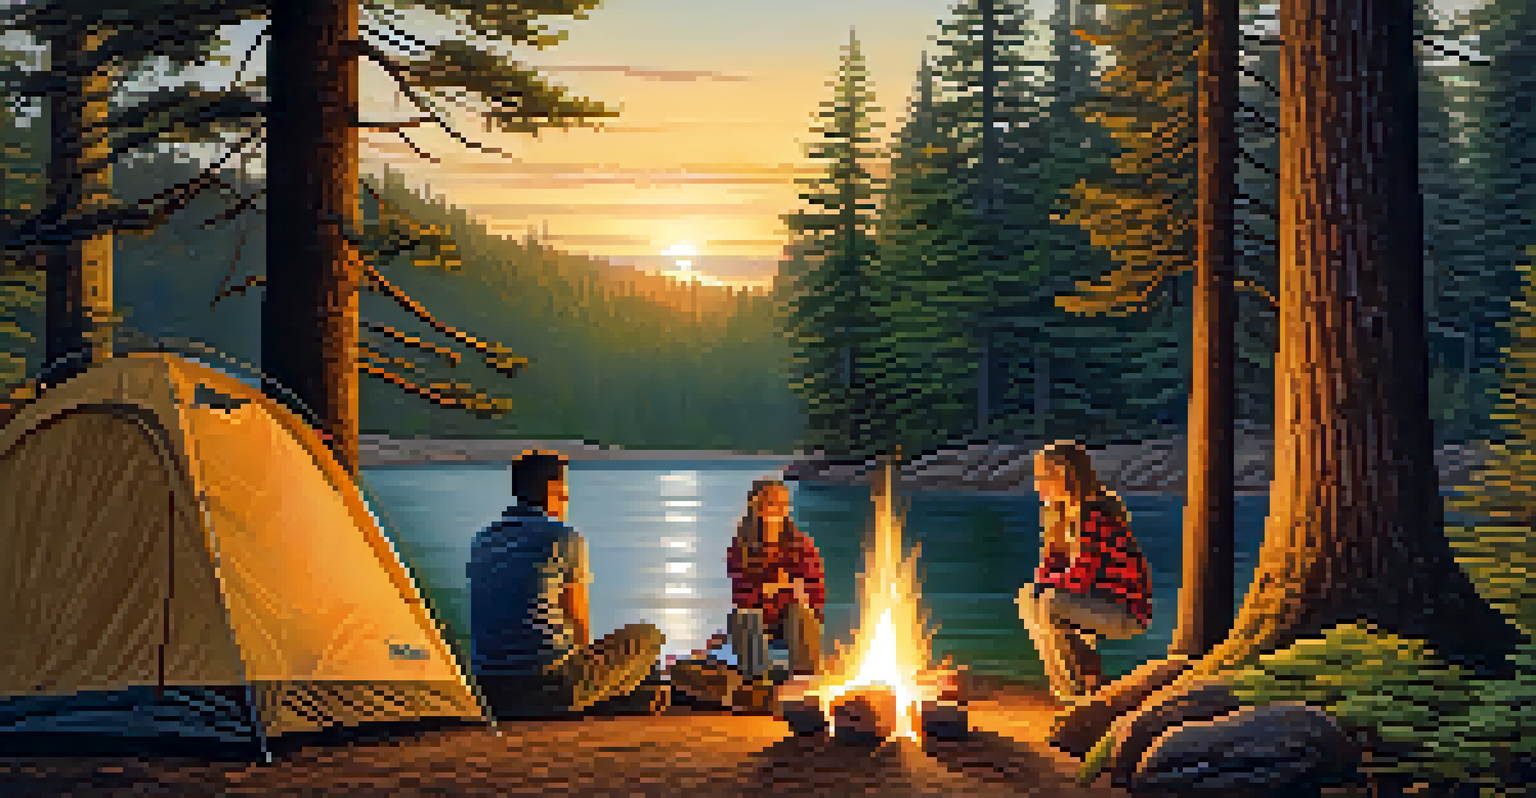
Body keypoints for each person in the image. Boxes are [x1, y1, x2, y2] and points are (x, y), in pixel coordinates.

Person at [468, 450, 664, 718]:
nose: (567, 497)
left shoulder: (482, 541)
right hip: (548, 682)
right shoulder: (563, 538)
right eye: (564, 488)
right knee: (648, 637)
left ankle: (619, 700)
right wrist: (591, 666)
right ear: (552, 488)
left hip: (488, 686)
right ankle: (624, 701)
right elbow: (577, 620)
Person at [1016, 440, 1151, 705]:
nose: (1038, 484)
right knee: (1029, 598)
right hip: (1088, 601)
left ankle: (1074, 694)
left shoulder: (1092, 513)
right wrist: (1041, 584)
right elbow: (1051, 567)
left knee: (1048, 603)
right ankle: (1072, 684)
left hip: (1123, 609)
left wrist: (1046, 585)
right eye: (1038, 476)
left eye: (1046, 476)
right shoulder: (1058, 514)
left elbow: (1081, 576)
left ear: (1067, 476)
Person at [725, 478, 826, 681]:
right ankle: (757, 680)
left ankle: (805, 677)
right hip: (757, 616)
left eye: (781, 504)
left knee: (801, 613)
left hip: (788, 617)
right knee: (746, 617)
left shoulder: (799, 544)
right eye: (770, 503)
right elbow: (741, 595)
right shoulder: (741, 547)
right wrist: (768, 590)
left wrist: (787, 590)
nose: (776, 510)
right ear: (757, 507)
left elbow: (814, 590)